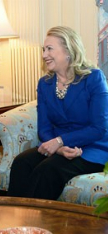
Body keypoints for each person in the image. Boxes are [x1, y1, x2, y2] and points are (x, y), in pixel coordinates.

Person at [7, 26, 108, 200]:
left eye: (49, 49)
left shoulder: (93, 78)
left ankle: (35, 224)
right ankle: (16, 222)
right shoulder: (45, 84)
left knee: (47, 170)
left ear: (68, 50)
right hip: (58, 146)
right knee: (21, 163)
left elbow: (99, 128)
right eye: (43, 50)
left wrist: (61, 141)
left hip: (93, 148)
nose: (44, 55)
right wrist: (58, 148)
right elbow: (44, 128)